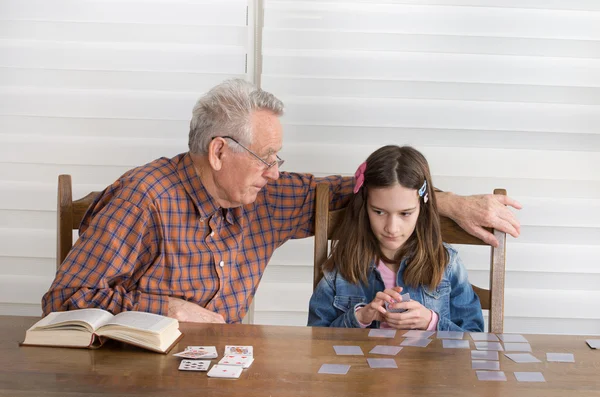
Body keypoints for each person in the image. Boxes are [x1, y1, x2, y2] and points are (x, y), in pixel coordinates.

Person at [42, 79, 521, 324]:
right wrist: (167, 309)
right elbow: (62, 301)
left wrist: (446, 201)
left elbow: (361, 186)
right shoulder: (143, 198)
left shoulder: (265, 197)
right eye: (266, 158)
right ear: (218, 151)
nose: (275, 172)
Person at [308, 145, 484, 331]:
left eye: (405, 213)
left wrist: (431, 323)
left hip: (426, 361)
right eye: (379, 212)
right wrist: (359, 318)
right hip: (361, 361)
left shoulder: (447, 264)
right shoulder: (341, 267)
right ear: (364, 207)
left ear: (421, 209)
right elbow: (316, 338)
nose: (392, 228)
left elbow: (473, 339)